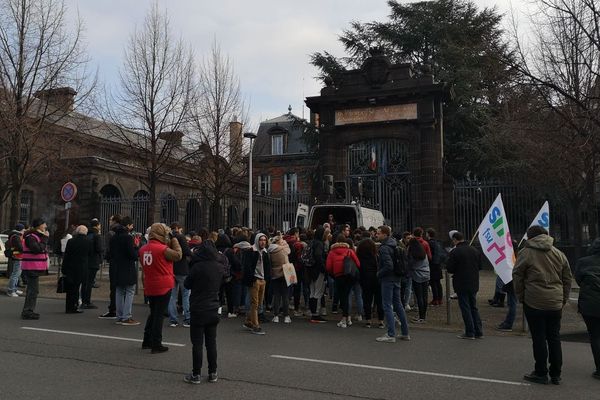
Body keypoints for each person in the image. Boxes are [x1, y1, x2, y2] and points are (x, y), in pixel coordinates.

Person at [513, 225, 572, 385]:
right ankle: (556, 373)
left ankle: (541, 372)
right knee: (554, 337)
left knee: (538, 337)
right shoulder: (558, 253)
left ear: (530, 237)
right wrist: (563, 298)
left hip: (534, 300)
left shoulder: (526, 253)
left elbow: (517, 275)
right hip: (555, 301)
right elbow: (567, 278)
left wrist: (521, 296)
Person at [183, 240, 224, 384]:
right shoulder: (219, 267)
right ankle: (213, 372)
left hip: (198, 307)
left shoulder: (197, 267)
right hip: (213, 306)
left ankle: (196, 374)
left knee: (197, 344)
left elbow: (187, 284)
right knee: (211, 343)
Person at [140, 223, 182, 353]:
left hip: (150, 284)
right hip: (163, 285)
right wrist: (174, 239)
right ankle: (156, 343)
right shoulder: (162, 249)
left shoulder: (143, 249)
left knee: (153, 313)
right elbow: (178, 255)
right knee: (159, 315)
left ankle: (146, 340)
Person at [445, 231, 483, 340]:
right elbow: (480, 266)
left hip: (461, 283)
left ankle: (470, 332)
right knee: (473, 307)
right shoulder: (475, 250)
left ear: (455, 240)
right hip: (474, 282)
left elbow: (450, 268)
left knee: (465, 307)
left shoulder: (455, 252)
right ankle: (479, 331)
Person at [375, 225, 410, 342]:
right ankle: (405, 332)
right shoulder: (395, 244)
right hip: (397, 278)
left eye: (379, 233)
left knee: (387, 305)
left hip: (388, 279)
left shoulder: (384, 248)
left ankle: (391, 334)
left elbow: (388, 265)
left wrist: (379, 273)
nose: (376, 235)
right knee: (398, 305)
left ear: (385, 234)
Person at [575, 237, 600, 381]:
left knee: (595, 336)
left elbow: (578, 280)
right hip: (590, 303)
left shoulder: (583, 262)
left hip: (590, 304)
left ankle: (599, 369)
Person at [109, 216, 140, 326]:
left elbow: (110, 253)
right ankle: (126, 316)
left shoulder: (113, 237)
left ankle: (120, 315)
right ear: (128, 225)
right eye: (131, 225)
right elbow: (132, 255)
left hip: (117, 266)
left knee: (119, 291)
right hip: (127, 267)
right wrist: (136, 248)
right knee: (130, 291)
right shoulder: (127, 237)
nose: (132, 227)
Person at [326, 234, 360, 328]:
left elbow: (328, 267)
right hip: (349, 276)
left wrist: (333, 274)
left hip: (338, 276)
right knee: (347, 295)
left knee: (343, 297)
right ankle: (348, 317)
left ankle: (344, 319)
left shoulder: (332, 252)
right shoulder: (350, 251)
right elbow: (357, 263)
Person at [20, 218, 49, 320]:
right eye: (44, 224)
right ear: (39, 225)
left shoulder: (34, 236)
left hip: (33, 266)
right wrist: (45, 238)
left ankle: (28, 310)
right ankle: (27, 311)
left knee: (33, 290)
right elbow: (36, 249)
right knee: (33, 290)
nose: (46, 226)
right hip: (31, 267)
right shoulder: (31, 237)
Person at [242, 233, 270, 335]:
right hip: (255, 280)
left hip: (262, 279)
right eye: (261, 240)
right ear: (257, 241)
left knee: (259, 302)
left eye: (264, 240)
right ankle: (255, 325)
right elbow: (247, 266)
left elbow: (267, 266)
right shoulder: (251, 251)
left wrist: (267, 278)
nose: (263, 242)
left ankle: (248, 321)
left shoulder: (265, 252)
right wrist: (252, 278)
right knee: (255, 303)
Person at [168, 223, 193, 328]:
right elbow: (186, 252)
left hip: (171, 269)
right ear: (178, 228)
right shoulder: (181, 237)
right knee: (186, 294)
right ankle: (188, 318)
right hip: (182, 268)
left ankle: (173, 319)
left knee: (172, 296)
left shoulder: (168, 237)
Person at [61, 225, 90, 313]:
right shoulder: (88, 242)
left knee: (70, 288)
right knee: (78, 287)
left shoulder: (71, 241)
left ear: (77, 232)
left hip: (71, 267)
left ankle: (69, 307)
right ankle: (75, 305)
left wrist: (64, 268)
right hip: (82, 267)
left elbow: (67, 255)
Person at [357, 232, 383, 329]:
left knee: (367, 300)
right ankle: (381, 321)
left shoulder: (360, 257)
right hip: (377, 279)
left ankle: (368, 320)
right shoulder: (376, 256)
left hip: (365, 279)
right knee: (379, 300)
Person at [99, 214, 122, 319]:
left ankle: (113, 309)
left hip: (114, 261)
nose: (109, 221)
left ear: (115, 221)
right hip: (121, 262)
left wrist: (107, 256)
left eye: (110, 219)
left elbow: (109, 249)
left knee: (113, 287)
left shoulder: (111, 233)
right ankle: (119, 309)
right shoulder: (124, 232)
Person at [268, 236, 292, 323]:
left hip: (275, 274)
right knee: (285, 295)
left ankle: (276, 316)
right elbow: (288, 252)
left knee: (276, 295)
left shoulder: (270, 251)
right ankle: (286, 316)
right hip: (285, 273)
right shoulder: (283, 250)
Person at [407, 237, 430, 323]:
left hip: (417, 276)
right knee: (424, 296)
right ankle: (423, 316)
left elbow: (411, 265)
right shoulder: (423, 253)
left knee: (419, 296)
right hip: (426, 275)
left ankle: (421, 317)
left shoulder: (413, 254)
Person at [307, 227, 328, 323]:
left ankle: (312, 313)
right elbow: (318, 256)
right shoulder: (319, 244)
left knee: (312, 291)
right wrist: (324, 268)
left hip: (309, 270)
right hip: (317, 270)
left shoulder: (311, 242)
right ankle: (316, 314)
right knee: (318, 292)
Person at [81, 219, 102, 309]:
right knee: (89, 283)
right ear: (97, 225)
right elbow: (99, 249)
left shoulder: (87, 235)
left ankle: (83, 300)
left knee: (85, 282)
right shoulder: (97, 236)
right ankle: (87, 301)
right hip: (93, 261)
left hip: (86, 261)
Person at [426, 228, 446, 306]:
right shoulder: (438, 243)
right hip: (438, 264)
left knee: (433, 282)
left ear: (428, 234)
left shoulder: (429, 243)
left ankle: (435, 299)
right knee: (438, 283)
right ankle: (440, 299)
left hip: (432, 264)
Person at [6, 224, 25, 297]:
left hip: (18, 256)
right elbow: (20, 247)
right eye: (23, 230)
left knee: (17, 275)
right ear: (20, 229)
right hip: (18, 256)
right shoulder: (16, 236)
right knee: (15, 275)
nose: (24, 231)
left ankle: (14, 289)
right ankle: (11, 290)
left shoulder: (16, 235)